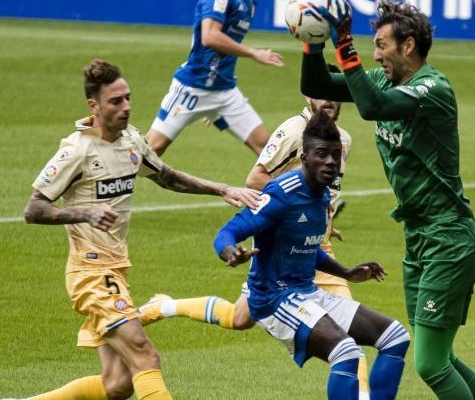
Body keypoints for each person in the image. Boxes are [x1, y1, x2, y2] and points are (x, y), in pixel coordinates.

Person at [18, 59, 261, 400]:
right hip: (91, 273)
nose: (127, 107)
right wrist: (84, 212)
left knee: (118, 385)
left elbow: (167, 176)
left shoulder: (131, 140)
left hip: (115, 267)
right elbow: (34, 209)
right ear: (94, 105)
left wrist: (222, 188)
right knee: (145, 357)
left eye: (128, 98)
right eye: (116, 101)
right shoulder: (77, 150)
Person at [138, 65, 373, 399]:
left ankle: (165, 306)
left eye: (336, 93)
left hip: (315, 249)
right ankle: (164, 306)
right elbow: (255, 179)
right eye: (322, 92)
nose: (329, 100)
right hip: (282, 248)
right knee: (241, 318)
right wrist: (296, 212)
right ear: (308, 93)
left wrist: (323, 221)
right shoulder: (294, 131)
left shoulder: (342, 139)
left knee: (337, 338)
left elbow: (320, 192)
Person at [299, 0, 475, 399]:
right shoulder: (388, 81)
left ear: (408, 46)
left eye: (382, 45)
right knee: (439, 356)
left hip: (448, 237)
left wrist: (344, 42)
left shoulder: (433, 88)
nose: (376, 54)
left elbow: (372, 108)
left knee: (430, 364)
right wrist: (312, 42)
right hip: (420, 237)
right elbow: (315, 86)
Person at [219, 112, 409, 399]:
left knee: (395, 337)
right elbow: (227, 233)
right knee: (345, 352)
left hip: (306, 293)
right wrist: (231, 252)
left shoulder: (322, 194)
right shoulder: (281, 195)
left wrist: (346, 272)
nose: (331, 161)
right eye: (321, 154)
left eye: (335, 154)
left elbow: (309, 246)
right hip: (273, 299)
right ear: (304, 156)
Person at [144, 0, 284, 156]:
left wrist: (213, 109)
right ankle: (108, 177)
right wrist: (253, 53)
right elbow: (209, 37)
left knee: (269, 151)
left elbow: (226, 49)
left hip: (225, 92)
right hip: (192, 89)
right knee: (150, 151)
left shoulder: (250, 1)